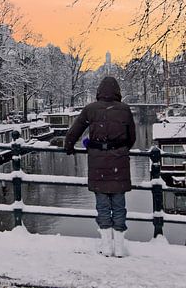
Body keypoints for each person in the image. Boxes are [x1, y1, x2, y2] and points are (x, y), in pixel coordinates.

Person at [64, 76, 136, 257]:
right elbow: (131, 137)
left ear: (99, 91)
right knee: (119, 204)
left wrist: (69, 146)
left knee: (102, 204)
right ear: (117, 92)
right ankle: (119, 247)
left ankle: (106, 246)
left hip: (97, 163)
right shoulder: (125, 110)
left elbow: (75, 131)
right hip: (119, 162)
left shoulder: (90, 109)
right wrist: (119, 148)